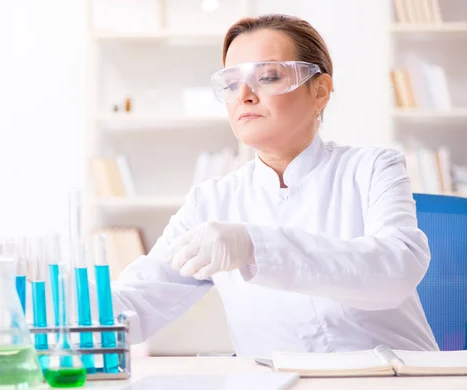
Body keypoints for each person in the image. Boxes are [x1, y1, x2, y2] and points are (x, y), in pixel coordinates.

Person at [110, 14, 438, 357]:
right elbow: (140, 298)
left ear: (320, 91)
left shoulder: (371, 168)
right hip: (277, 388)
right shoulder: (211, 202)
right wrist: (68, 305)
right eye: (231, 84)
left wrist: (255, 246)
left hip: (394, 383)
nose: (245, 95)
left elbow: (396, 271)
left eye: (267, 77)